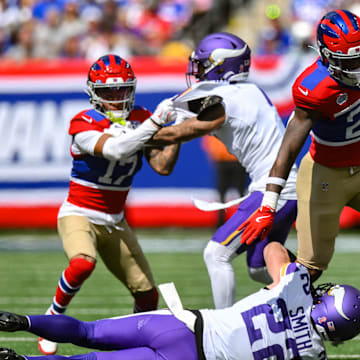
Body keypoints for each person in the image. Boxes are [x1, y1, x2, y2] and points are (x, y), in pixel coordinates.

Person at [37, 54, 179, 355]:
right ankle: (54, 315)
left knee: (147, 294)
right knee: (83, 262)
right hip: (79, 213)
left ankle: (136, 343)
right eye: (108, 92)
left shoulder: (140, 118)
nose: (116, 98)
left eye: (121, 90)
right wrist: (155, 123)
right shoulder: (84, 121)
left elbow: (163, 166)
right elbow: (115, 149)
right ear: (94, 93)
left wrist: (176, 131)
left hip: (115, 220)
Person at [1, 242, 360, 360]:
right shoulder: (314, 354)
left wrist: (291, 272)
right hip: (188, 358)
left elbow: (272, 248)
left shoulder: (294, 288)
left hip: (180, 322)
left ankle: (21, 322)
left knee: (88, 331)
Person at [148, 32, 298, 309]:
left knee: (215, 254)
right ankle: (311, 286)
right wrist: (163, 129)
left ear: (220, 64)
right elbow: (163, 163)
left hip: (272, 191)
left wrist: (141, 133)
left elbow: (180, 134)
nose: (199, 70)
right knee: (259, 268)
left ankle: (223, 329)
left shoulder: (224, 99)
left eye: (204, 64)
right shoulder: (248, 90)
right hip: (286, 190)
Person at [238, 9, 360, 283]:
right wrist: (269, 205)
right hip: (326, 176)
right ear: (327, 56)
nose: (357, 68)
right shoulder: (315, 88)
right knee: (309, 271)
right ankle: (274, 262)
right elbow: (289, 148)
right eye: (349, 62)